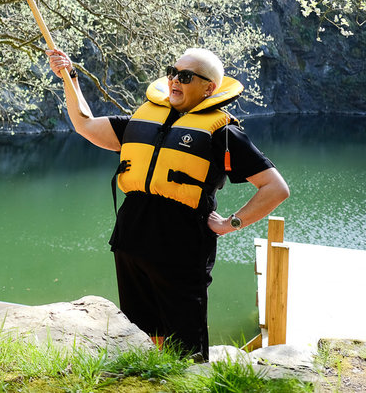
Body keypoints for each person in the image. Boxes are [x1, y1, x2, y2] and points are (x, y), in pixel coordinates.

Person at [47, 47, 289, 360]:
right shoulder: (144, 119)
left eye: (185, 76)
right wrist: (70, 78)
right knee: (139, 334)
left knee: (186, 348)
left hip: (182, 246)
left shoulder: (223, 133)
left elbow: (275, 188)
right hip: (131, 237)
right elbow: (85, 125)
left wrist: (232, 223)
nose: (174, 80)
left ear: (208, 88)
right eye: (172, 72)